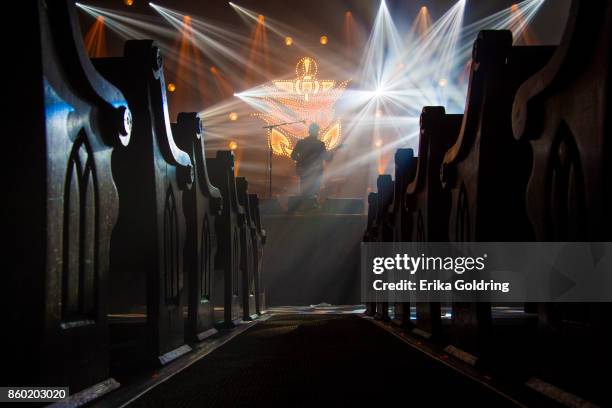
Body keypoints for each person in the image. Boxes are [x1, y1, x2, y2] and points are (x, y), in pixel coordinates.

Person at [291, 123, 331, 198]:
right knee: (313, 193)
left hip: (305, 170)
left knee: (304, 192)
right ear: (317, 132)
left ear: (309, 131)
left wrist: (302, 161)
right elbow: (327, 158)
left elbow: (293, 156)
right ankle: (311, 207)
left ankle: (304, 207)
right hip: (315, 172)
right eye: (317, 131)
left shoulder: (301, 142)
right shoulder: (320, 144)